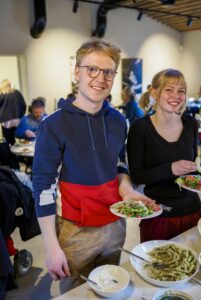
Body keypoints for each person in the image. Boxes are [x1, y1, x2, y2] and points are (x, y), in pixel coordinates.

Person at [32, 39, 156, 293]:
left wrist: (128, 191)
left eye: (108, 72)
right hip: (75, 231)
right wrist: (52, 246)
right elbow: (43, 187)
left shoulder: (118, 120)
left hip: (115, 224)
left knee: (111, 288)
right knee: (78, 294)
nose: (100, 78)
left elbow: (119, 165)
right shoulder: (53, 125)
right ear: (77, 72)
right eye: (92, 69)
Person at [127, 68, 201, 243]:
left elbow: (192, 165)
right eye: (168, 90)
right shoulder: (140, 128)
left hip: (193, 209)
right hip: (159, 213)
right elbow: (137, 176)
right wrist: (170, 169)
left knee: (193, 263)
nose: (176, 96)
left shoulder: (190, 123)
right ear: (154, 92)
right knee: (157, 267)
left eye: (181, 91)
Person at [0, 79, 26, 146]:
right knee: (20, 138)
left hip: (6, 121)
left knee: (8, 140)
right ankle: (20, 154)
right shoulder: (17, 92)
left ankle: (10, 153)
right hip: (17, 119)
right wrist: (22, 115)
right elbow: (23, 105)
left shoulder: (2, 94)